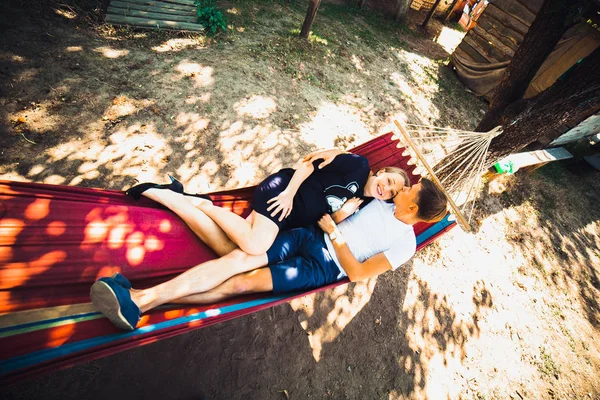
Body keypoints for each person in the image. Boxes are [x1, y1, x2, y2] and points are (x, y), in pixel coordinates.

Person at [90, 174, 448, 331]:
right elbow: (352, 175)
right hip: (305, 235)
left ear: (414, 208)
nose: (405, 187)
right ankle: (141, 299)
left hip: (323, 265)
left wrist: (335, 233)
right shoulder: (383, 198)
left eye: (411, 189)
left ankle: (142, 299)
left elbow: (357, 274)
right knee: (235, 256)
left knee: (239, 284)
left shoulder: (405, 243)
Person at [126, 149, 410, 256]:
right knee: (254, 245)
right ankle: (197, 203)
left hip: (285, 220)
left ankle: (179, 196)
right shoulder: (359, 166)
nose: (386, 189)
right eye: (389, 182)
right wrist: (288, 193)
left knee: (228, 249)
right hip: (282, 194)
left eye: (392, 193)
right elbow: (311, 162)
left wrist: (340, 216)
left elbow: (326, 220)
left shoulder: (361, 203)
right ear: (382, 172)